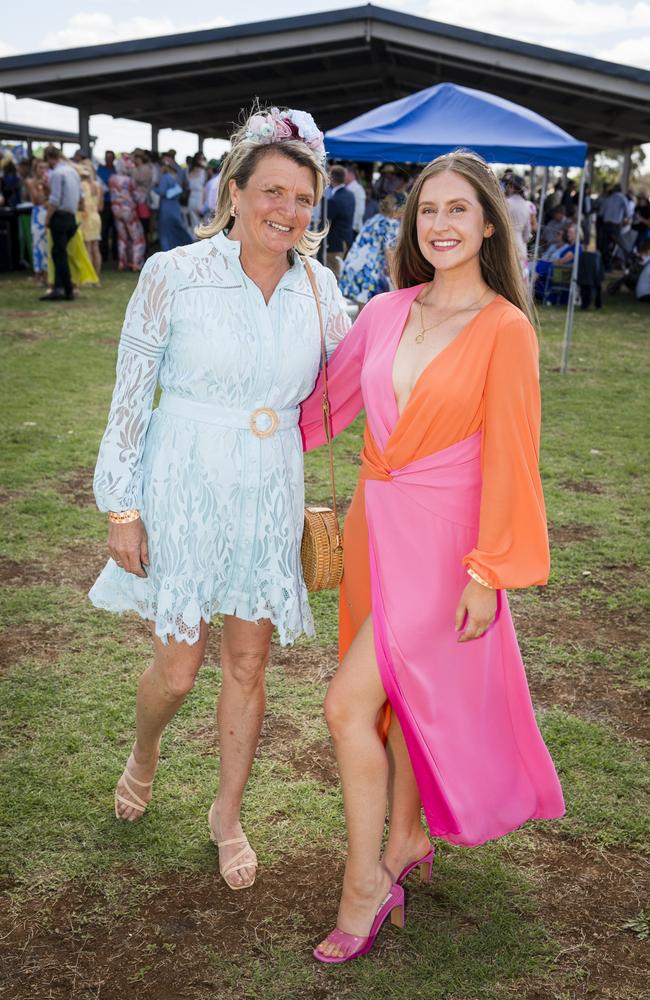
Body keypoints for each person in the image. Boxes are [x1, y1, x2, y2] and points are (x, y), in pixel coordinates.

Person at [299, 150, 565, 963]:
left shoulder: (506, 328)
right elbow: (320, 407)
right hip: (379, 529)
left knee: (348, 704)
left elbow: (514, 457)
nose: (441, 225)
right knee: (401, 696)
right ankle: (406, 835)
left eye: (459, 210)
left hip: (449, 548)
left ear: (491, 223)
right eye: (428, 211)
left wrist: (490, 570)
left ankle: (365, 887)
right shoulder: (384, 311)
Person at [88, 105, 350, 891]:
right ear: (234, 192)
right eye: (273, 192)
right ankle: (145, 751)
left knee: (248, 659)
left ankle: (226, 813)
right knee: (178, 668)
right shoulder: (172, 273)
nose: (289, 211)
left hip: (269, 486)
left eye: (304, 199)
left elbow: (368, 366)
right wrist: (122, 507)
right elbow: (130, 394)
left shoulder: (320, 287)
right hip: (184, 481)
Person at [339, 192, 403, 305]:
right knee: (374, 314)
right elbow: (390, 253)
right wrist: (396, 279)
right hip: (368, 274)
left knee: (363, 314)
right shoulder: (391, 223)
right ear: (398, 208)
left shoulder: (375, 219)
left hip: (353, 268)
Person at [40, 146, 81, 302]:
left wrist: (47, 218)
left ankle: (66, 289)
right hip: (71, 216)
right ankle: (60, 287)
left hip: (60, 216)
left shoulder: (57, 173)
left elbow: (55, 199)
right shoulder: (73, 171)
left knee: (59, 253)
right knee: (58, 252)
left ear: (50, 158)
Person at [109, 159, 145, 272]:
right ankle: (136, 263)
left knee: (122, 237)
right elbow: (137, 197)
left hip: (115, 209)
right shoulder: (129, 181)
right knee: (137, 237)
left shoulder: (112, 179)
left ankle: (122, 262)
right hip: (128, 210)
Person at [153, 155, 193, 251]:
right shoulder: (175, 177)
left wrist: (153, 188)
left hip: (166, 206)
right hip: (175, 206)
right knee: (176, 228)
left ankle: (167, 249)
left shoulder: (165, 178)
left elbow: (162, 192)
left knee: (165, 231)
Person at [76, 160, 104, 281]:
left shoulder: (81, 185)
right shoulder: (98, 185)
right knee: (95, 247)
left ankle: (89, 276)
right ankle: (96, 275)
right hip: (96, 217)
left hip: (85, 216)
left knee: (87, 247)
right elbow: (101, 206)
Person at [326, 164, 355, 273]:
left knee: (334, 274)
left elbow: (326, 222)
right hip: (346, 240)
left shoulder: (334, 200)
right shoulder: (350, 195)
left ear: (331, 178)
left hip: (335, 244)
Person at [25, 158, 49, 285]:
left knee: (47, 244)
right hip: (38, 214)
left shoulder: (49, 181)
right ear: (35, 169)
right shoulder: (30, 182)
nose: (43, 170)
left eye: (45, 168)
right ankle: (38, 273)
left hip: (47, 212)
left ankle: (47, 273)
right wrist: (41, 187)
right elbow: (37, 200)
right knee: (37, 244)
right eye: (41, 168)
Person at [505, 174, 531, 275]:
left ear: (511, 186)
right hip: (520, 244)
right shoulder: (526, 205)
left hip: (506, 242)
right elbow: (527, 235)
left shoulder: (506, 203)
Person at [97, 151, 117, 263]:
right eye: (106, 157)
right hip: (105, 202)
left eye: (110, 158)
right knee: (104, 229)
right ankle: (103, 254)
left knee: (115, 230)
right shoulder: (100, 170)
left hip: (115, 202)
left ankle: (115, 254)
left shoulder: (116, 170)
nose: (108, 160)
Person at [186, 152, 207, 232]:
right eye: (202, 159)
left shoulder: (189, 170)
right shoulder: (203, 171)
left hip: (192, 197)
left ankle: (194, 239)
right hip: (199, 197)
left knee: (194, 223)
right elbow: (204, 186)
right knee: (201, 223)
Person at [345, 164, 366, 239]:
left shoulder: (358, 189)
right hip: (347, 227)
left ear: (351, 175)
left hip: (353, 228)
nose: (344, 176)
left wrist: (352, 226)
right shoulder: (347, 187)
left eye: (345, 174)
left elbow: (360, 210)